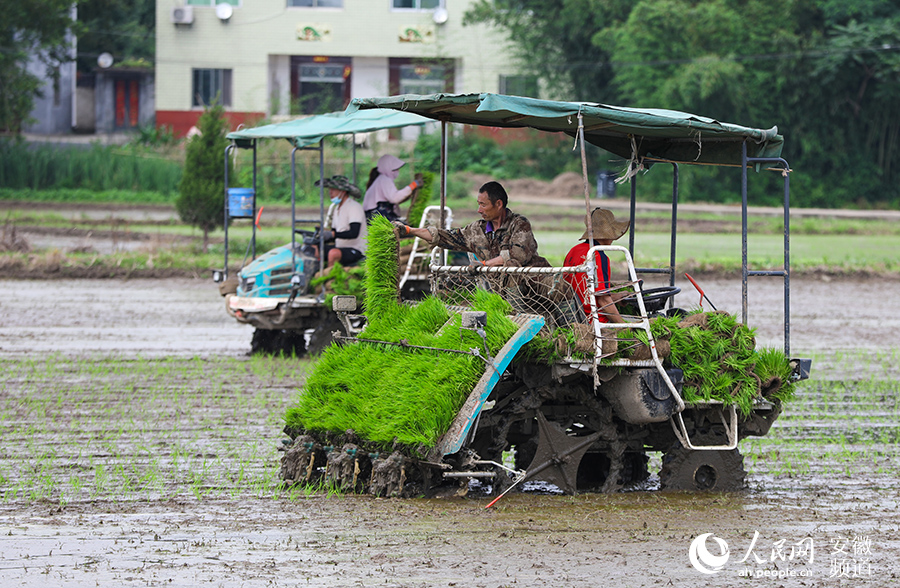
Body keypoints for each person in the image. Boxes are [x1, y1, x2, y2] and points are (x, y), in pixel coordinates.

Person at [395, 180, 548, 268]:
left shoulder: (519, 225)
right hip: (500, 293)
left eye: (483, 205)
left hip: (533, 287)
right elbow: (445, 236)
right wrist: (409, 230)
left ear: (499, 204)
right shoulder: (476, 230)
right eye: (478, 204)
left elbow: (515, 256)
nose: (479, 210)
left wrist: (484, 264)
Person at [564, 208, 630, 323]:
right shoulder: (598, 256)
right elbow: (603, 300)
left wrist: (617, 296)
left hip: (576, 316)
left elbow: (586, 292)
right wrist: (625, 326)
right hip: (596, 320)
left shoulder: (573, 251)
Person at [314, 175, 367, 269]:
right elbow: (335, 233)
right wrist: (323, 234)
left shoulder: (354, 207)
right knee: (314, 248)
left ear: (343, 191)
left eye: (333, 189)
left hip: (356, 250)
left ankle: (329, 279)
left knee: (333, 253)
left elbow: (353, 233)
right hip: (340, 247)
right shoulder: (337, 209)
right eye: (330, 189)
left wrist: (332, 234)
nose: (330, 192)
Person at [363, 154, 423, 222]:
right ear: (387, 168)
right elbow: (395, 198)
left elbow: (396, 200)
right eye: (395, 169)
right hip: (378, 218)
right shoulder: (384, 179)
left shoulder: (380, 179)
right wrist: (413, 185)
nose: (397, 171)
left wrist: (410, 194)